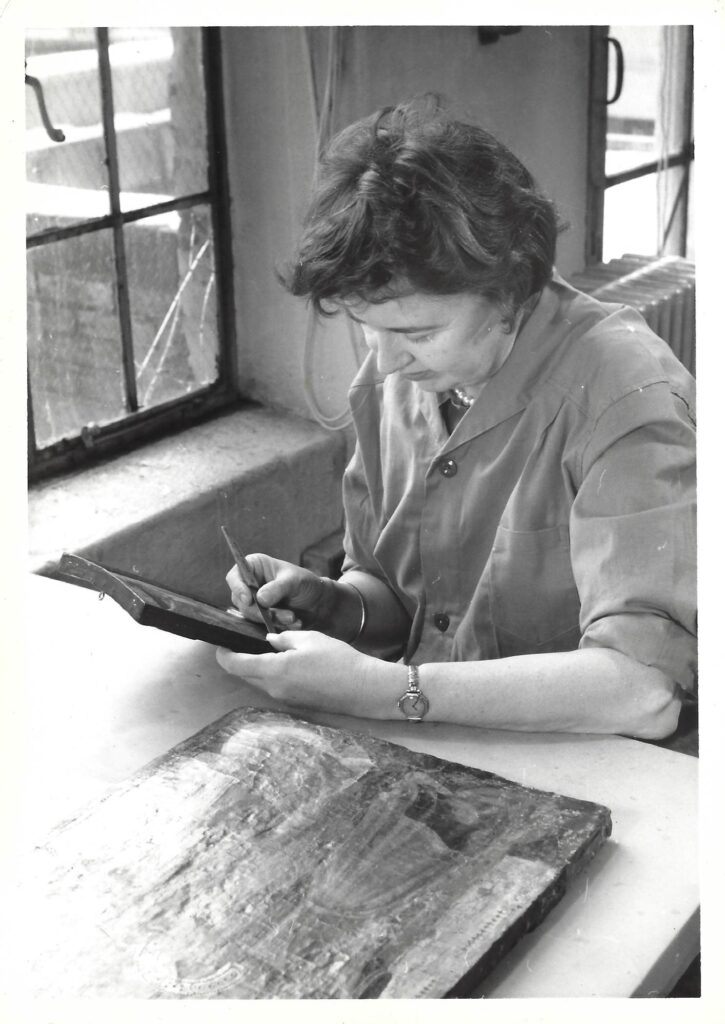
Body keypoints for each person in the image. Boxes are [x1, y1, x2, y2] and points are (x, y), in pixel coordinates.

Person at [216, 97, 696, 739]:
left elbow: (642, 691)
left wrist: (388, 692)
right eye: (364, 325)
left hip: (595, 763)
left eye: (418, 332)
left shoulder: (624, 400)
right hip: (447, 744)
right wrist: (335, 607)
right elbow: (404, 603)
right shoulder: (395, 381)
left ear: (511, 293)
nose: (385, 361)